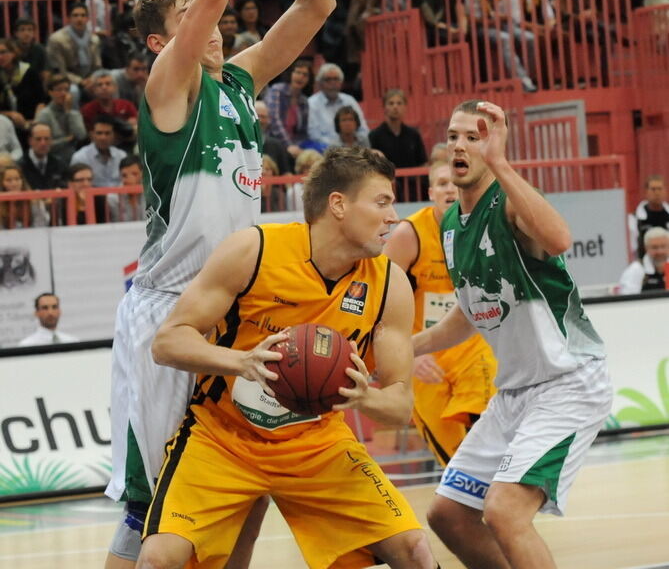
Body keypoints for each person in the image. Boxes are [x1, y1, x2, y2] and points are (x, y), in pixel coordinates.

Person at [104, 0, 338, 569]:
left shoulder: (238, 81)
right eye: (191, 16)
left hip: (230, 313)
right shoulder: (169, 84)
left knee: (238, 493)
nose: (214, 18)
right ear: (158, 40)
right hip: (170, 318)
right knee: (152, 512)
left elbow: (314, 7)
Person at [137, 146, 438, 569]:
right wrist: (241, 362)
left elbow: (400, 405)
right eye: (382, 202)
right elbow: (167, 342)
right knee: (158, 559)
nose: (393, 217)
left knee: (415, 550)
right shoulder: (254, 250)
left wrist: (358, 395)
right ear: (338, 204)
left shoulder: (390, 284)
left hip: (317, 443)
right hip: (222, 437)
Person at [413, 99, 612, 569]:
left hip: (568, 383)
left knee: (504, 512)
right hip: (515, 393)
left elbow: (560, 238)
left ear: (493, 146)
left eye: (474, 137)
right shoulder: (448, 227)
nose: (460, 145)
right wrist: (408, 346)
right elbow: (469, 312)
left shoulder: (508, 204)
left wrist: (502, 164)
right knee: (448, 515)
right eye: (454, 136)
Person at [384, 161, 497, 466]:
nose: (451, 189)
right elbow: (377, 299)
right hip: (425, 353)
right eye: (443, 183)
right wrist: (409, 351)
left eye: (456, 183)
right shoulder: (409, 234)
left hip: (473, 347)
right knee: (455, 459)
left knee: (490, 435)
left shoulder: (485, 227)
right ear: (431, 191)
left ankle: (504, 503)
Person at [369, 89, 427, 201]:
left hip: (413, 188)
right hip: (386, 186)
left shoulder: (413, 134)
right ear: (384, 108)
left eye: (399, 103)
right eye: (391, 103)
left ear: (405, 107)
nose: (395, 107)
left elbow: (423, 162)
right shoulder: (375, 135)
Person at [307, 62, 368, 147]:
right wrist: (338, 146)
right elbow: (314, 136)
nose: (333, 83)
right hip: (326, 151)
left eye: (336, 79)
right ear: (320, 83)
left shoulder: (349, 100)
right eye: (328, 79)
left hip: (354, 147)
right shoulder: (311, 103)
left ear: (341, 82)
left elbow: (363, 129)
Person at [35, 74, 87, 164]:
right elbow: (43, 144)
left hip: (73, 158)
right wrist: (66, 140)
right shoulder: (45, 114)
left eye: (66, 90)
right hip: (52, 160)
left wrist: (68, 112)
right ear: (50, 92)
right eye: (59, 90)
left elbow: (81, 136)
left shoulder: (73, 113)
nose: (63, 93)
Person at [70, 114, 126, 187]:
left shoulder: (122, 156)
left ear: (114, 135)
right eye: (99, 133)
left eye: (107, 133)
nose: (103, 137)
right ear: (92, 135)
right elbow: (75, 186)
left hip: (120, 197)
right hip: (92, 197)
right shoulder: (80, 158)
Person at [619, 227, 669, 294]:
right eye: (655, 247)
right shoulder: (636, 270)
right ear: (646, 248)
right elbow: (627, 299)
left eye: (663, 246)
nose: (660, 252)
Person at [0, 162, 49, 229]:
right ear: (2, 183)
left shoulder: (34, 201)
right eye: (8, 180)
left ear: (22, 181)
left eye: (17, 179)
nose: (14, 184)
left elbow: (41, 225)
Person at [18, 121, 66, 190]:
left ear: (51, 140)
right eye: (38, 139)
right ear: (30, 141)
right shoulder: (20, 166)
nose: (43, 143)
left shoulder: (60, 164)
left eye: (46, 139)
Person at [632, 174, 669, 258]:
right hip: (645, 265)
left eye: (660, 189)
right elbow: (632, 248)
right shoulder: (635, 218)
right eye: (653, 189)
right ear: (646, 192)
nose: (657, 193)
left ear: (665, 191)